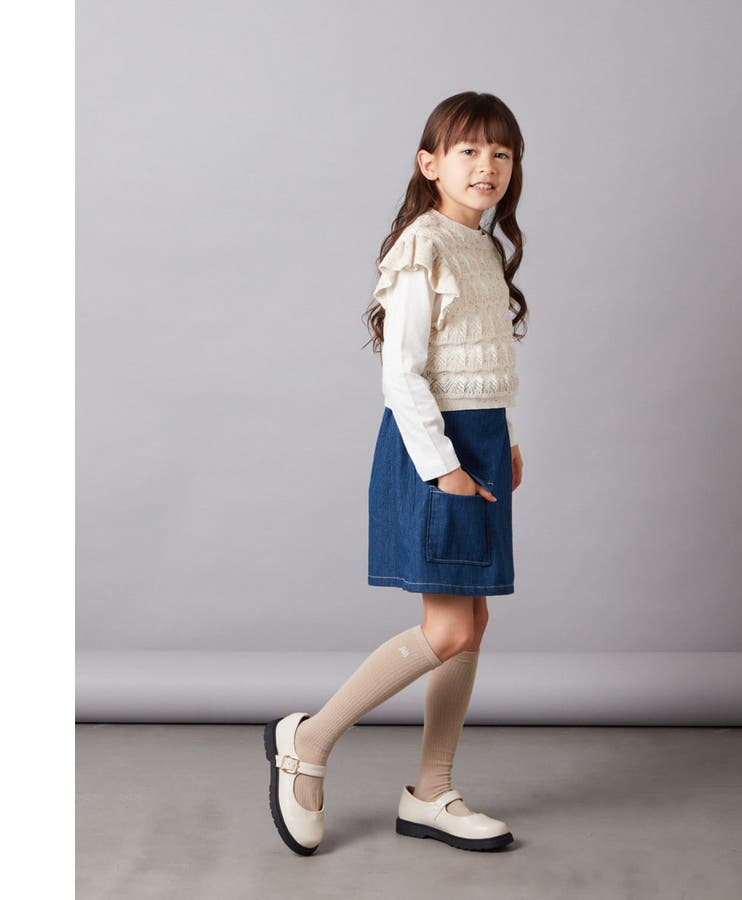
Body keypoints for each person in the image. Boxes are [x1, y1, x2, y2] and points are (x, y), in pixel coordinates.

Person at [264, 91, 528, 856]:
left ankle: (431, 793)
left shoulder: (483, 247)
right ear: (430, 163)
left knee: (473, 622)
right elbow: (403, 374)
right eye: (468, 150)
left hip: (479, 443)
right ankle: (308, 742)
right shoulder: (423, 244)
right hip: (434, 451)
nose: (486, 165)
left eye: (502, 152)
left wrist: (505, 439)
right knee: (448, 628)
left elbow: (477, 361)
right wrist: (445, 469)